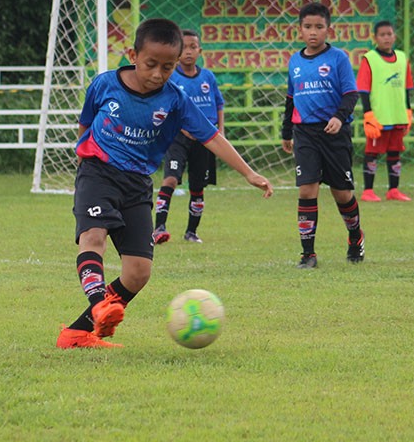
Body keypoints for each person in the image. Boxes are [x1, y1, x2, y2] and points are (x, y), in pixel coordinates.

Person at [57, 18, 272, 349]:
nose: (157, 74)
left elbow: (212, 136)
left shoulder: (175, 99)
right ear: (133, 54)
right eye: (151, 64)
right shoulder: (104, 85)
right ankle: (100, 303)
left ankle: (77, 333)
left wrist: (249, 173)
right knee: (93, 236)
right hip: (98, 172)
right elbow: (86, 123)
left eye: (167, 67)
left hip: (138, 183)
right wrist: (82, 155)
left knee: (139, 272)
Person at [281, 1, 365, 268]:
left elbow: (351, 93)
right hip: (305, 133)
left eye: (319, 27)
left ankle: (355, 236)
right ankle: (308, 255)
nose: (313, 32)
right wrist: (286, 131)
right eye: (308, 27)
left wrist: (339, 118)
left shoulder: (338, 58)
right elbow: (291, 99)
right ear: (300, 30)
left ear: (329, 29)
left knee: (342, 194)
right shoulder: (295, 61)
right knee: (307, 190)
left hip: (334, 133)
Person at [153, 29, 225, 244]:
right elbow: (164, 106)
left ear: (200, 50)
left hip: (205, 139)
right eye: (183, 47)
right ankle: (159, 228)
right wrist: (181, 126)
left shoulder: (207, 77)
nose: (188, 52)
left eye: (193, 47)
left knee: (197, 186)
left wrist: (219, 130)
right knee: (170, 179)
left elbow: (219, 104)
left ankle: (191, 231)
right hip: (178, 137)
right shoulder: (172, 77)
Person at [356, 20, 414, 202]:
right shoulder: (370, 59)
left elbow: (406, 88)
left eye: (389, 34)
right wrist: (368, 114)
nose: (386, 38)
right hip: (379, 116)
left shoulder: (403, 58)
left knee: (395, 152)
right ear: (375, 38)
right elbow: (363, 89)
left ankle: (393, 190)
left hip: (397, 114)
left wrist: (408, 111)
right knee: (372, 152)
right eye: (382, 35)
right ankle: (368, 190)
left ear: (394, 36)